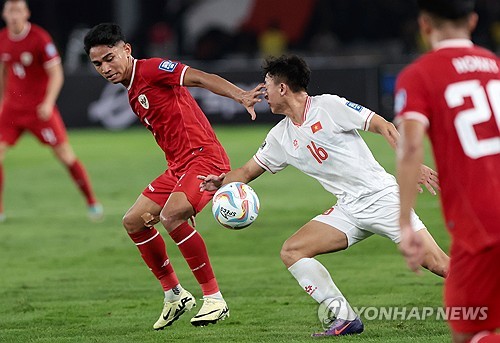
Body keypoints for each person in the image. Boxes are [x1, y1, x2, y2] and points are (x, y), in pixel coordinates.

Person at [199, 54, 449, 337]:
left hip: (382, 199)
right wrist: (221, 182)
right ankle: (345, 318)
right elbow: (245, 172)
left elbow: (384, 125)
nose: (263, 92)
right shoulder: (280, 136)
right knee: (293, 250)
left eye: (267, 85)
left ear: (282, 88)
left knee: (438, 264)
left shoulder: (328, 106)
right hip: (348, 210)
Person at [83, 23, 263, 330]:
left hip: (204, 158)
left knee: (172, 216)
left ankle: (214, 299)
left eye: (110, 58)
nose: (105, 68)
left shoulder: (152, 70)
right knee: (133, 221)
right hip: (179, 167)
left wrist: (240, 96)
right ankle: (174, 294)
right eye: (97, 63)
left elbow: (200, 77)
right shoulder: (131, 93)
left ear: (126, 50)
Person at [394, 0, 500, 342]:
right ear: (472, 21)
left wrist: (404, 222)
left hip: (481, 225)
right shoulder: (496, 66)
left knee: (468, 330)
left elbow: (410, 148)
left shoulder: (419, 74)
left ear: (425, 24)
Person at [0, 0, 103, 222]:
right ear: (5, 14)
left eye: (18, 10)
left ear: (26, 13)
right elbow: (3, 72)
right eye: (10, 10)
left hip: (39, 110)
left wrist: (48, 102)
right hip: (11, 110)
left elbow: (56, 74)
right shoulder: (2, 39)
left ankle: (92, 202)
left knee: (65, 156)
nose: (14, 15)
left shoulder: (39, 38)